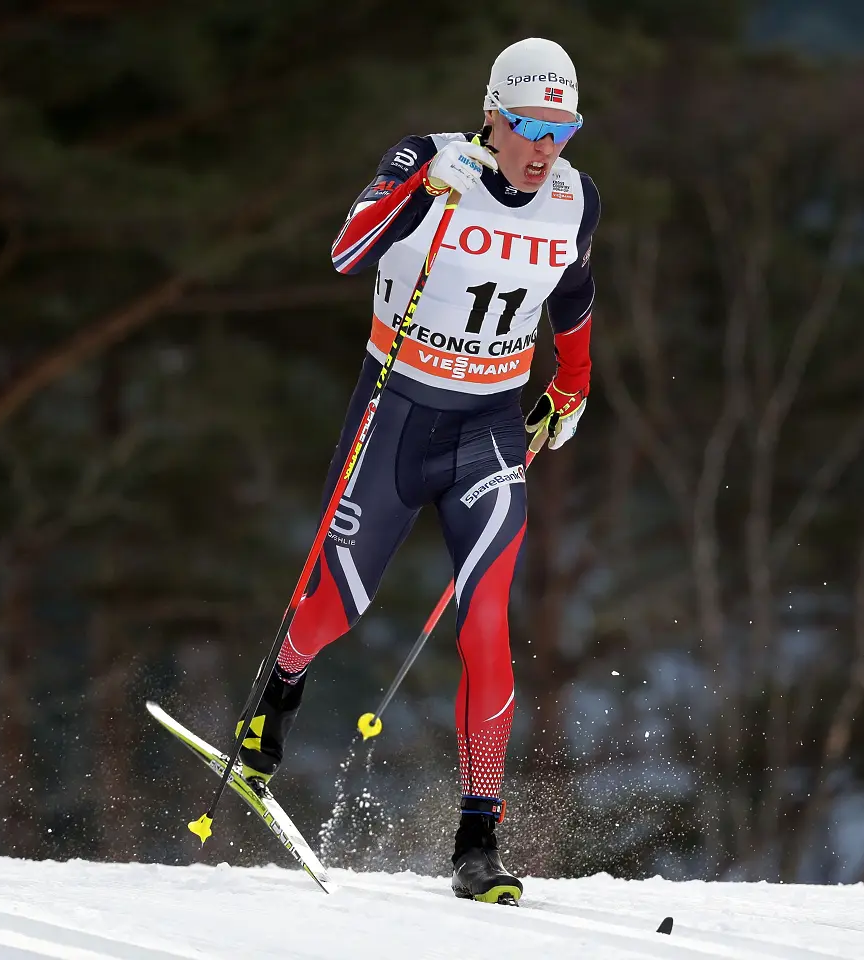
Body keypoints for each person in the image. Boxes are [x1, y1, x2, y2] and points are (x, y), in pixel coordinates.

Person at [236, 37, 600, 905]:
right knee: (336, 605)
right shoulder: (427, 161)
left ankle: (479, 837)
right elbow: (344, 253)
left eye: (562, 129)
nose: (543, 149)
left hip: (490, 428)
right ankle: (279, 687)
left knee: (485, 622)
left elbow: (575, 289)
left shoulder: (576, 197)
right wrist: (410, 199)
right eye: (527, 127)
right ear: (492, 114)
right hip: (395, 411)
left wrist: (573, 384)